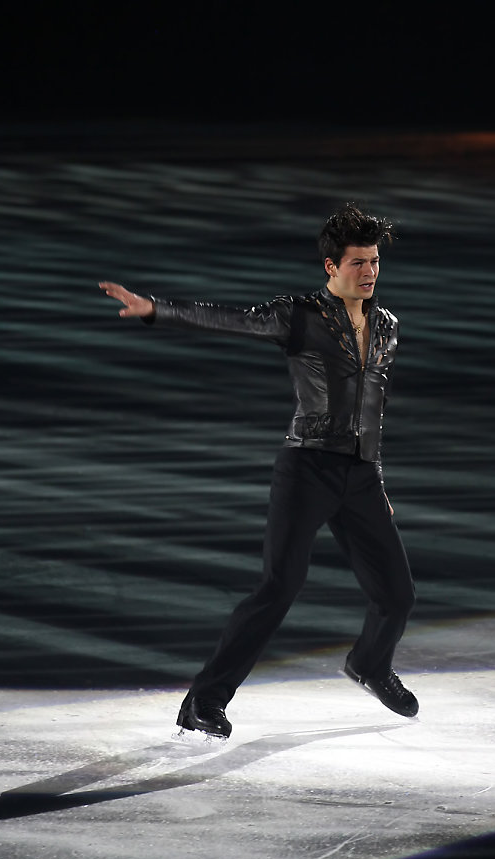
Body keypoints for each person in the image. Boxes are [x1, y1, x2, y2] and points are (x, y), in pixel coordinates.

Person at [99, 202, 417, 738]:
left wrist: (376, 479)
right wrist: (156, 309)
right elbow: (230, 320)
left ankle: (370, 664)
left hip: (361, 475)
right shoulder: (301, 316)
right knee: (279, 585)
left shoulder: (386, 326)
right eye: (358, 262)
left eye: (374, 262)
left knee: (397, 594)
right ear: (330, 267)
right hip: (308, 468)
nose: (369, 272)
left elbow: (372, 410)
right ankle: (203, 701)